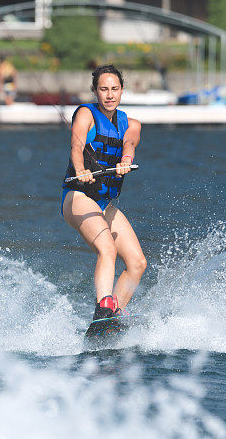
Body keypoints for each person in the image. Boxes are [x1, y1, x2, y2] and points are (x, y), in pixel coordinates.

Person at [61, 64, 147, 322]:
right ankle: (103, 306)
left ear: (122, 90)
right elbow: (77, 145)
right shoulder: (86, 115)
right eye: (103, 89)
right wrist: (80, 169)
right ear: (95, 92)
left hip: (104, 204)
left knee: (137, 263)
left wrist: (126, 159)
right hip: (78, 198)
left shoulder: (131, 124)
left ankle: (112, 316)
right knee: (107, 249)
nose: (109, 94)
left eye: (114, 89)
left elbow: (129, 143)